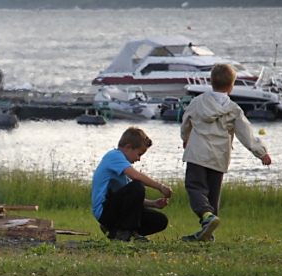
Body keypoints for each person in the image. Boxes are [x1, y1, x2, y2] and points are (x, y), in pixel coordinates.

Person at [180, 63, 272, 242]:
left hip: (197, 154)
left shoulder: (197, 102)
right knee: (213, 196)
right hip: (219, 157)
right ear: (231, 86)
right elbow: (246, 134)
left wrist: (186, 138)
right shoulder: (234, 109)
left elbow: (186, 123)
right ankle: (208, 232)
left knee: (195, 188)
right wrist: (261, 152)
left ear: (210, 81)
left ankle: (206, 218)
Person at [91, 126, 174, 242]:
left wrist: (153, 203)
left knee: (160, 220)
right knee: (137, 186)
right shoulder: (114, 156)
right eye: (139, 154)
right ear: (128, 148)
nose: (139, 159)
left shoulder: (122, 168)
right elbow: (136, 177)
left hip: (114, 210)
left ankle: (116, 231)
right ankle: (125, 232)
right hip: (104, 211)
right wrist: (160, 186)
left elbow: (130, 199)